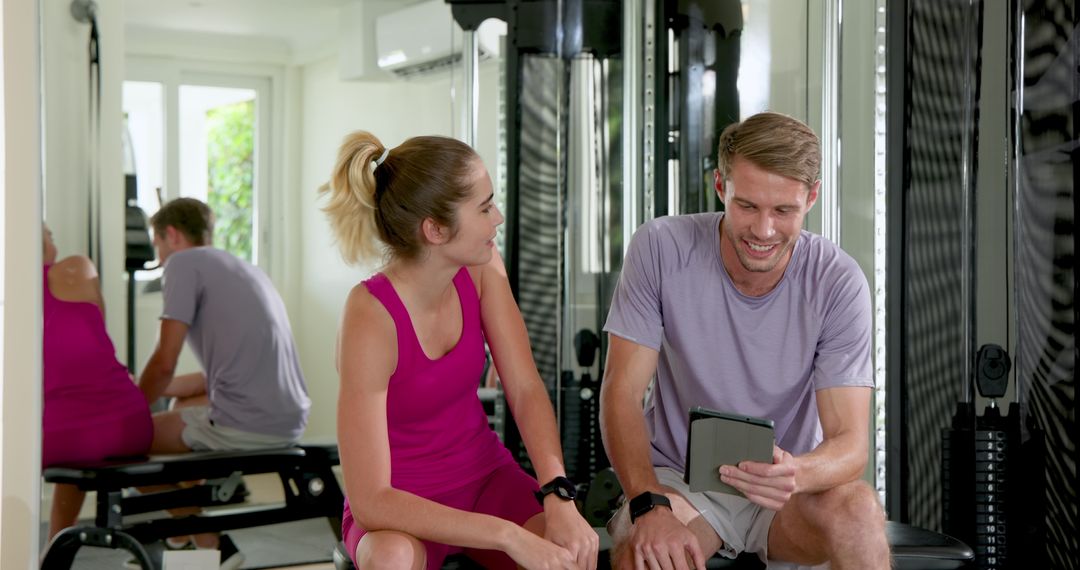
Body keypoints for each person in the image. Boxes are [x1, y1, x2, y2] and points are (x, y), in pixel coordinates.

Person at [599, 112, 890, 570]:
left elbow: (851, 443)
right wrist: (646, 504)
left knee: (859, 512)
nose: (763, 230)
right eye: (748, 206)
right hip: (681, 483)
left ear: (811, 197)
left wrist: (796, 472)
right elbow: (621, 394)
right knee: (644, 553)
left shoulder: (838, 281)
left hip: (786, 489)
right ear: (721, 187)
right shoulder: (660, 247)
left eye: (783, 211)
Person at [321, 132, 599, 570]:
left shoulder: (484, 269)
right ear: (435, 229)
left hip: (485, 478)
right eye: (485, 207)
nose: (498, 217)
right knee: (391, 559)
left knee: (571, 550)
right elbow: (372, 500)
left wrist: (558, 493)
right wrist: (505, 535)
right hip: (400, 507)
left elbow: (525, 388)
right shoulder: (370, 315)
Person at [137, 197, 311, 565]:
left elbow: (164, 361)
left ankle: (209, 542)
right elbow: (212, 377)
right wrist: (142, 387)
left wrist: (128, 410)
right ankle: (187, 550)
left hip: (247, 423)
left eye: (158, 246)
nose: (161, 257)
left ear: (171, 235)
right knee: (180, 407)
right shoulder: (245, 268)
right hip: (288, 420)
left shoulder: (183, 264)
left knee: (127, 439)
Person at [42, 225, 153, 539]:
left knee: (71, 430)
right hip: (130, 424)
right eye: (50, 235)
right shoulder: (78, 267)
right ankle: (208, 540)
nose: (54, 238)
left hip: (65, 438)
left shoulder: (14, 294)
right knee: (82, 429)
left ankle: (48, 551)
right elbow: (97, 337)